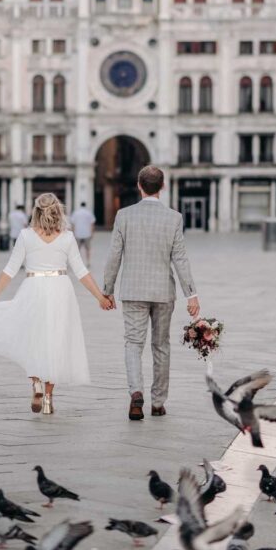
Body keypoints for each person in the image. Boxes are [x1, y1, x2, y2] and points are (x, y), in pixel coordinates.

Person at [0, 192, 112, 415]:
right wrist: (100, 297)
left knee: (33, 338)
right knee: (56, 342)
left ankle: (35, 383)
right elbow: (81, 272)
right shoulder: (67, 237)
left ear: (35, 212)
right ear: (59, 212)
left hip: (33, 287)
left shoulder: (26, 236)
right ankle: (47, 398)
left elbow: (10, 269)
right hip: (60, 289)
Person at [103, 164, 199, 421]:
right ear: (163, 187)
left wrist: (107, 290)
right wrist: (192, 294)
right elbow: (180, 259)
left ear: (139, 186)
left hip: (133, 290)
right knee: (161, 346)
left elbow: (114, 256)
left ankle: (136, 393)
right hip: (163, 292)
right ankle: (158, 402)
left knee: (133, 344)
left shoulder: (124, 215)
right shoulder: (174, 218)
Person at [70, 201, 96, 268]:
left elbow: (73, 224)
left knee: (77, 250)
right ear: (85, 205)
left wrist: (73, 232)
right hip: (87, 234)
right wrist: (92, 233)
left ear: (80, 205)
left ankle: (77, 263)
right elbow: (92, 224)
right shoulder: (89, 213)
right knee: (88, 249)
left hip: (78, 234)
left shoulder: (76, 213)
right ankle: (88, 262)